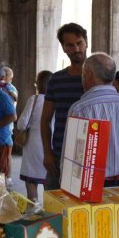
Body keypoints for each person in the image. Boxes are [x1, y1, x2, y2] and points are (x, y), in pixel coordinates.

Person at [67, 52, 119, 186]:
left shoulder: (80, 109)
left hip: (92, 184)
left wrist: (69, 184)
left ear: (88, 75)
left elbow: (72, 156)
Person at [40, 22, 87, 190]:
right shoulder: (56, 79)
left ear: (86, 42)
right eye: (70, 45)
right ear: (63, 48)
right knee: (53, 207)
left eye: (79, 43)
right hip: (60, 155)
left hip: (91, 156)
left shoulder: (100, 76)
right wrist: (47, 152)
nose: (76, 49)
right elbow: (45, 120)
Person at [17, 70, 53, 202]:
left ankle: (34, 213)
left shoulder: (35, 99)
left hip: (33, 147)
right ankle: (50, 215)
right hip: (51, 146)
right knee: (50, 184)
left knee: (31, 182)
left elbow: (21, 124)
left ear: (39, 83)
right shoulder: (57, 101)